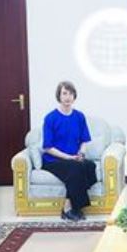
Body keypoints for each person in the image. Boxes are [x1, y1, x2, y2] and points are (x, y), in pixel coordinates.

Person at [41, 81, 97, 222]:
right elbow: (47, 147)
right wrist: (68, 157)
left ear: (74, 96)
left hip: (73, 158)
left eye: (70, 94)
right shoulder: (50, 118)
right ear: (59, 96)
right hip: (53, 160)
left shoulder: (79, 116)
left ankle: (68, 202)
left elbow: (84, 140)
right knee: (76, 169)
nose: (67, 97)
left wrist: (81, 154)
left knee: (90, 166)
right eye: (64, 93)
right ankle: (74, 209)